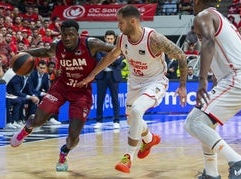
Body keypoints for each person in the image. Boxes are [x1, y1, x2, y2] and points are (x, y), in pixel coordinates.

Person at [77, 5, 187, 173]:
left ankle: (128, 157)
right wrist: (92, 74)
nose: (118, 26)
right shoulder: (122, 39)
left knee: (137, 110)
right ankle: (149, 139)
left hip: (155, 81)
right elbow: (112, 55)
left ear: (133, 22)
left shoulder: (153, 39)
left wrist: (182, 86)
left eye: (120, 22)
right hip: (135, 82)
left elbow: (181, 55)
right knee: (131, 120)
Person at [9, 19, 115, 172]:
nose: (67, 38)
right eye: (64, 35)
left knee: (73, 137)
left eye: (71, 34)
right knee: (39, 120)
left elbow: (114, 49)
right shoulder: (58, 46)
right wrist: (25, 52)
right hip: (61, 87)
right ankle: (27, 128)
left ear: (77, 35)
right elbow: (44, 52)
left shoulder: (90, 44)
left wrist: (130, 51)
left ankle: (64, 152)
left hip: (82, 92)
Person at [183, 1, 241, 178]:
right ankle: (211, 173)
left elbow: (209, 42)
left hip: (238, 76)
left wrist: (201, 81)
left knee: (193, 123)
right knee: (205, 123)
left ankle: (238, 162)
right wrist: (213, 85)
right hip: (235, 77)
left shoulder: (203, 16)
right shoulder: (217, 17)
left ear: (196, 1)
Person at [94, 30, 123, 129]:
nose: (110, 40)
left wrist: (107, 60)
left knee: (115, 99)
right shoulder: (99, 49)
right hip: (102, 76)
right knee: (100, 99)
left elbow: (119, 61)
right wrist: (112, 59)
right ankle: (99, 120)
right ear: (105, 38)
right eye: (108, 38)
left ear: (114, 39)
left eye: (111, 38)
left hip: (113, 76)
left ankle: (116, 120)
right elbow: (99, 60)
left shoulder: (118, 49)